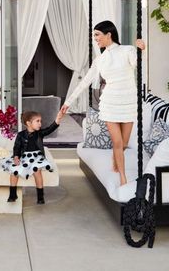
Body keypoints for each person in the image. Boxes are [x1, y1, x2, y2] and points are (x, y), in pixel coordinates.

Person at [61, 20, 145, 186]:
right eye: (94, 35)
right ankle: (122, 178)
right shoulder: (100, 60)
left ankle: (116, 158)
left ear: (109, 34)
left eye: (97, 34)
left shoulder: (127, 50)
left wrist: (142, 50)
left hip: (128, 101)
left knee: (124, 143)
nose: (95, 38)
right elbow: (84, 82)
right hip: (109, 102)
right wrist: (68, 102)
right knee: (117, 142)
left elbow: (138, 65)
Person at [0, 109, 64, 204]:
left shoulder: (40, 133)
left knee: (36, 170)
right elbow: (17, 147)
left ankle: (40, 196)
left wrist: (58, 118)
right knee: (14, 170)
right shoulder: (21, 135)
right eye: (37, 121)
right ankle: (13, 194)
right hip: (24, 156)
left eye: (40, 121)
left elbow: (50, 129)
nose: (40, 124)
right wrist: (16, 157)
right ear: (28, 123)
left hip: (37, 156)